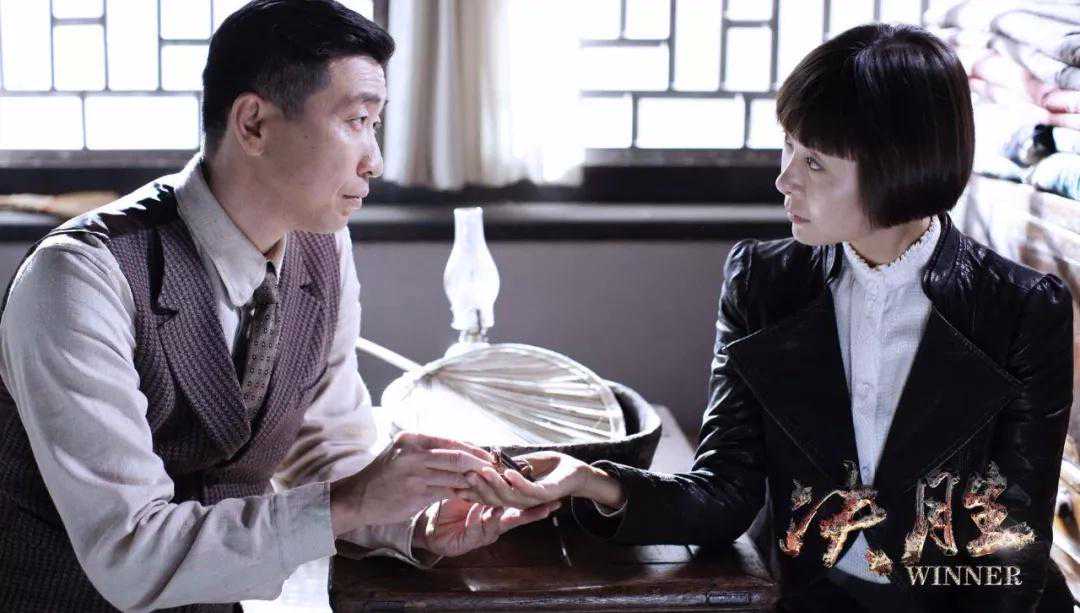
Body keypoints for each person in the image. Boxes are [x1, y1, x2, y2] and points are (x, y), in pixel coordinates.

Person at [458, 23, 1074, 612]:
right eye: (789, 148)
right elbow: (724, 493)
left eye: (815, 163)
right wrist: (590, 480)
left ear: (900, 167)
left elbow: (1010, 548)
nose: (783, 180)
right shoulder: (763, 283)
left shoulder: (1021, 309)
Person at [0, 1, 558, 611]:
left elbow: (327, 450)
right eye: (356, 120)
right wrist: (352, 502)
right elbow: (131, 553)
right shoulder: (78, 278)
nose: (374, 161)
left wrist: (413, 523)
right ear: (254, 124)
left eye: (376, 124)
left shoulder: (322, 245)